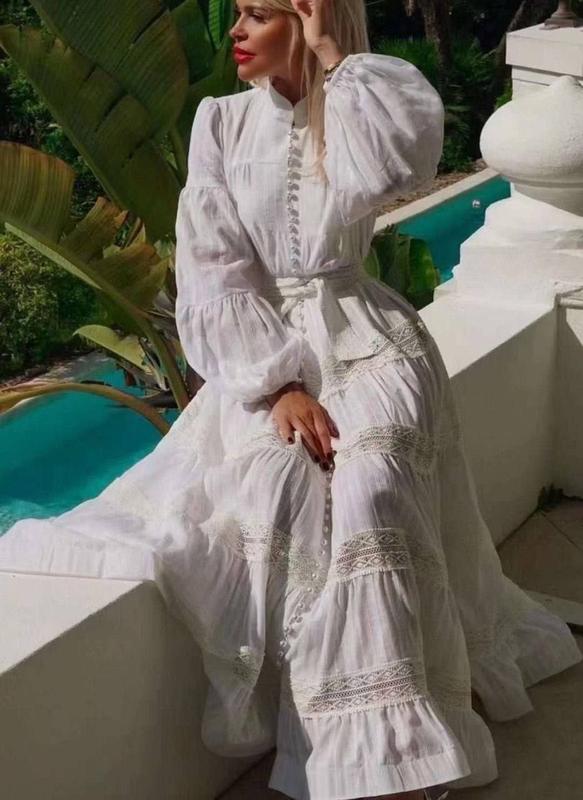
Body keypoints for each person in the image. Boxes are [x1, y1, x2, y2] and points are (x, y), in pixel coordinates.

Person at [0, 0, 581, 798]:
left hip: (369, 338)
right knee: (289, 487)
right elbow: (210, 266)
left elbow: (399, 166)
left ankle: (400, 749)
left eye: (261, 14)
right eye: (237, 12)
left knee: (373, 484)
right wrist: (277, 384)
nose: (235, 31)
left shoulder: (358, 101)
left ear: (308, 21)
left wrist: (333, 57)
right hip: (264, 356)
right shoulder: (218, 122)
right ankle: (350, 749)